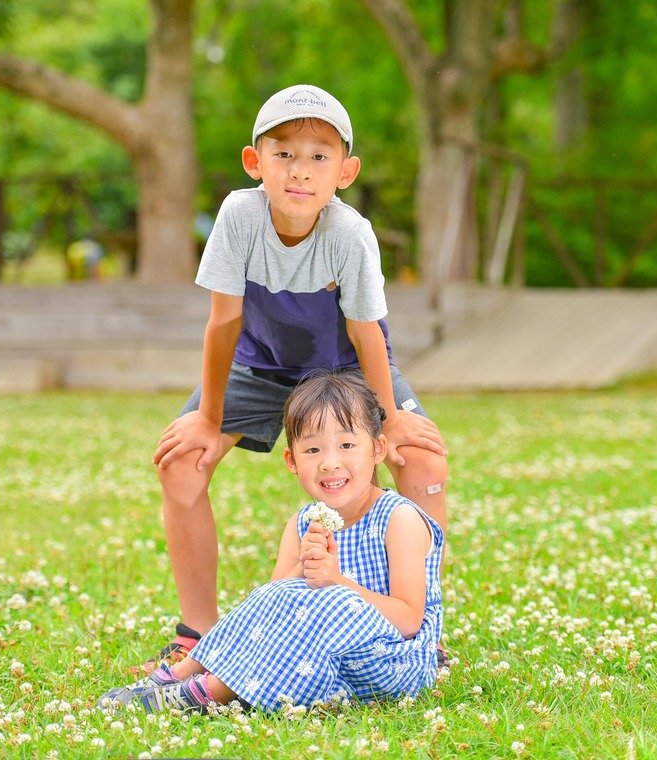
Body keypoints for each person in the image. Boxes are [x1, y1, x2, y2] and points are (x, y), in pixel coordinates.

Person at [142, 84, 449, 669]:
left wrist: (389, 419)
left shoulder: (351, 234)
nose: (300, 171)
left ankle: (419, 631)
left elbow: (366, 333)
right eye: (283, 153)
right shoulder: (238, 216)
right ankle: (197, 633)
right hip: (257, 366)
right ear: (255, 163)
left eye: (319, 156)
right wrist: (208, 419)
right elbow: (223, 321)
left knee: (425, 461)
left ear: (346, 171)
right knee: (181, 460)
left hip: (346, 368)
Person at [100, 371, 444, 714]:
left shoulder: (398, 518)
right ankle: (179, 674)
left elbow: (410, 620)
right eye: (312, 449)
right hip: (326, 664)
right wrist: (303, 568)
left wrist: (337, 582)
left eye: (347, 445)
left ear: (378, 449)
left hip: (393, 667)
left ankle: (204, 693)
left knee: (331, 601)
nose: (329, 462)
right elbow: (272, 609)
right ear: (292, 461)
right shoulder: (302, 524)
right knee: (270, 594)